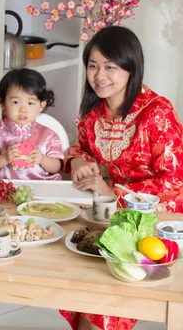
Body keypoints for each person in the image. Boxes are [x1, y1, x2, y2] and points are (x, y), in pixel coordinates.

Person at [61, 26, 183, 330]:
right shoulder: (94, 116)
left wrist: (113, 191)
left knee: (104, 300)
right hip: (113, 214)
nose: (99, 75)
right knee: (72, 275)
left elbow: (176, 180)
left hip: (160, 219)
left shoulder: (157, 112)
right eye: (93, 66)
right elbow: (82, 146)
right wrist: (77, 161)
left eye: (110, 67)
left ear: (132, 67)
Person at [0, 68, 63, 179]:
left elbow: (56, 167)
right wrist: (4, 158)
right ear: (3, 103)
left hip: (43, 188)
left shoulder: (48, 135)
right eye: (16, 102)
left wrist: (42, 159)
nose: (23, 109)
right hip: (8, 189)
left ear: (41, 105)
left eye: (30, 103)